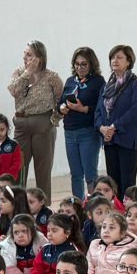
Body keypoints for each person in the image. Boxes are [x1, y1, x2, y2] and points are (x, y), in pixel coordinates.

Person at [7, 40, 64, 196]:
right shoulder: (19, 73)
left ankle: (43, 205)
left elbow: (62, 100)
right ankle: (18, 203)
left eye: (29, 55)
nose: (25, 58)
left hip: (43, 124)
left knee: (43, 168)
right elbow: (13, 90)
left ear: (40, 57)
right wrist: (28, 73)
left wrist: (54, 120)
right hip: (21, 123)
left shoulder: (51, 77)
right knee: (19, 166)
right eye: (24, 54)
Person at [95, 44, 137, 194]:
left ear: (129, 61)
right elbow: (98, 111)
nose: (114, 60)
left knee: (127, 181)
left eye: (119, 57)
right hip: (109, 138)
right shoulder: (106, 86)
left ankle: (128, 213)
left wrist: (114, 126)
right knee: (113, 181)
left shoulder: (136, 85)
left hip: (127, 138)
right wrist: (101, 128)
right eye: (112, 57)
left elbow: (134, 111)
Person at [59, 47, 106, 198]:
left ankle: (94, 205)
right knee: (76, 173)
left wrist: (83, 109)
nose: (79, 67)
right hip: (70, 132)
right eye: (76, 64)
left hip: (88, 132)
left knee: (90, 173)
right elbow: (60, 102)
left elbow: (102, 108)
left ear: (91, 64)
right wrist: (62, 108)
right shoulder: (70, 81)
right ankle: (78, 206)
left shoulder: (98, 82)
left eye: (83, 64)